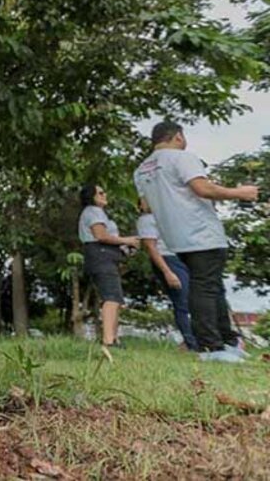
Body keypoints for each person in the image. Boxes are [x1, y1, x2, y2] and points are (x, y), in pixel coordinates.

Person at [134, 121, 258, 363]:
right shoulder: (182, 157)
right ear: (178, 136)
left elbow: (147, 205)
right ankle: (211, 347)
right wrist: (240, 193)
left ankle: (228, 342)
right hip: (201, 232)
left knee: (212, 286)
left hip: (175, 237)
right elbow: (202, 188)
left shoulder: (142, 169)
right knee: (205, 287)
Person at [77, 184, 139, 349]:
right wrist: (127, 240)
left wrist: (125, 249)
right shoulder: (93, 211)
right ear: (92, 196)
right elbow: (101, 235)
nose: (105, 195)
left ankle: (113, 338)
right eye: (101, 193)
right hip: (100, 255)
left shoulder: (98, 213)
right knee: (111, 297)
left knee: (115, 298)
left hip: (105, 256)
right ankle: (108, 340)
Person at [136, 200, 198, 351]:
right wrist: (167, 272)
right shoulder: (146, 220)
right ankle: (192, 343)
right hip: (167, 260)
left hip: (179, 258)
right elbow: (151, 248)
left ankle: (192, 340)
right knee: (182, 302)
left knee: (192, 301)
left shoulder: (165, 216)